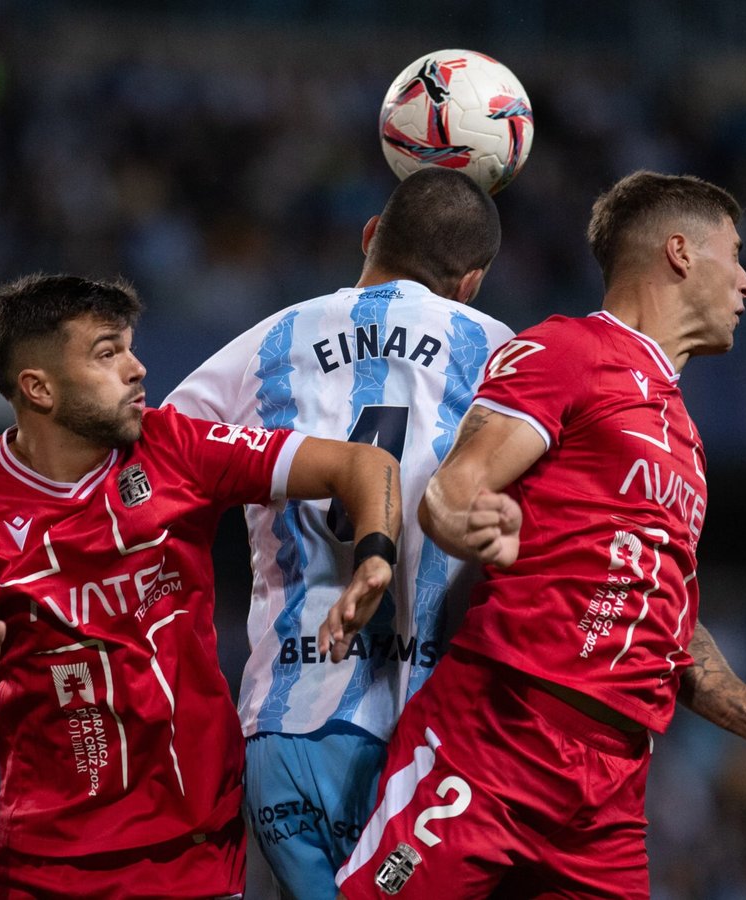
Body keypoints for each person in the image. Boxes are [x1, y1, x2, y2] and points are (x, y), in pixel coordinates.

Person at [334, 172, 746, 899]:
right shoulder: (569, 351)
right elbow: (452, 488)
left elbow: (668, 618)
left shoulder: (685, 441)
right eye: (736, 256)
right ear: (680, 253)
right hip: (498, 741)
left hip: (608, 796)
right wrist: (471, 523)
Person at [0, 274, 403, 898]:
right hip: (46, 861)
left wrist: (376, 555)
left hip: (194, 853)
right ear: (38, 388)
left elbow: (364, 463)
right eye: (107, 352)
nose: (137, 369)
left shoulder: (176, 448)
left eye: (130, 347)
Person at [163, 167, 513, 898]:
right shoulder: (500, 353)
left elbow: (159, 467)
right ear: (472, 281)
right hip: (431, 740)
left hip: (288, 723)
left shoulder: (268, 342)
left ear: (368, 238)